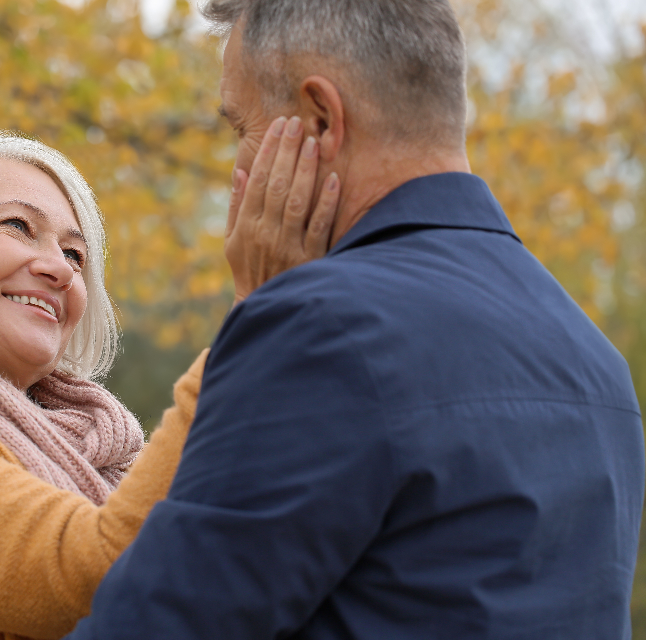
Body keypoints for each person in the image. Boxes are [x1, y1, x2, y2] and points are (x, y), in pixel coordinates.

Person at [64, 1, 646, 639]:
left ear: (319, 120)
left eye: (240, 127)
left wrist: (258, 313)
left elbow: (159, 625)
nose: (239, 170)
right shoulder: (593, 358)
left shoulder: (320, 329)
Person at [0, 129, 340, 639]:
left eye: (75, 254)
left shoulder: (104, 449)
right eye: (16, 226)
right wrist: (257, 314)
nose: (60, 270)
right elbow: (110, 575)